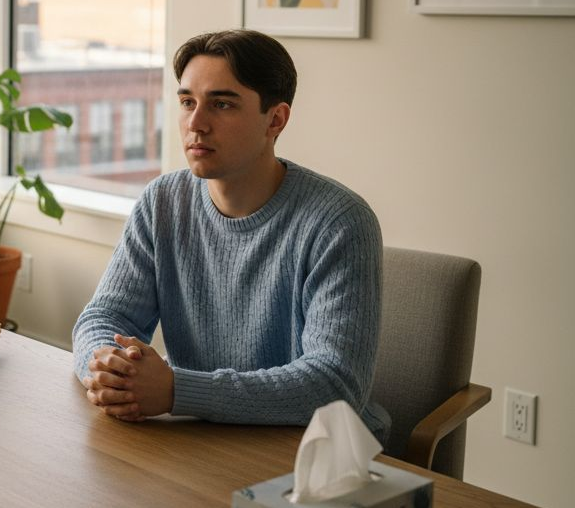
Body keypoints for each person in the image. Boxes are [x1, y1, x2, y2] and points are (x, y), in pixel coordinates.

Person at [73, 29, 390, 441]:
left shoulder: (340, 222)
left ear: (275, 119)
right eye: (187, 102)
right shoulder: (162, 202)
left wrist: (176, 390)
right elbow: (101, 318)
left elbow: (335, 386)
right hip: (198, 437)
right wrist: (109, 369)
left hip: (315, 455)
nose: (196, 123)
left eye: (221, 104)